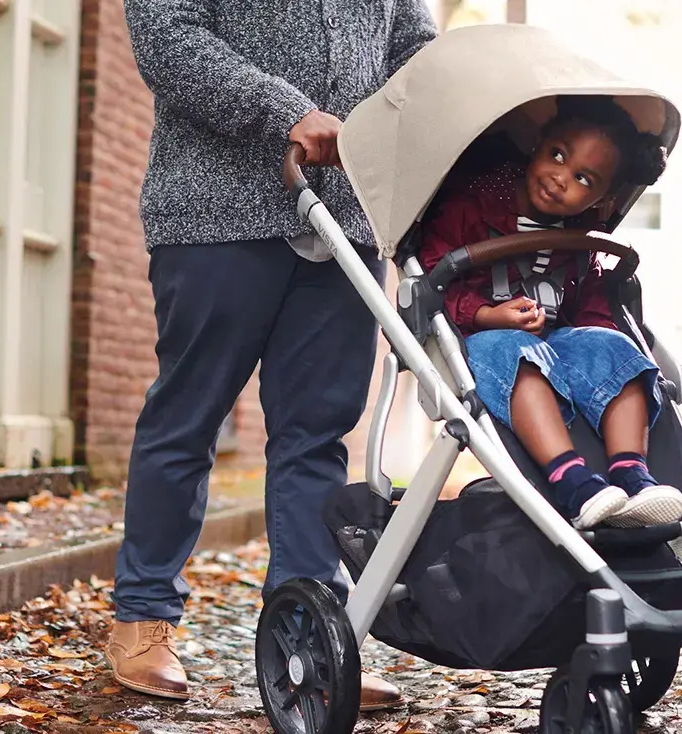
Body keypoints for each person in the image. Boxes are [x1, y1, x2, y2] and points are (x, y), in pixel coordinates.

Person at [108, 0, 438, 707]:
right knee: (187, 418)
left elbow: (415, 50)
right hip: (216, 210)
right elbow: (167, 37)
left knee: (318, 437)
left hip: (346, 220)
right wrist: (281, 110)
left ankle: (309, 639)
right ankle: (143, 618)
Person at [419, 95, 682, 530]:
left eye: (583, 178)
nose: (560, 178)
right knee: (518, 351)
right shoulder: (473, 205)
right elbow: (434, 280)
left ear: (602, 199)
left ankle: (632, 476)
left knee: (615, 348)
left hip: (558, 341)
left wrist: (607, 357)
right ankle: (573, 482)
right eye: (557, 156)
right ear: (538, 144)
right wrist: (488, 314)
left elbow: (591, 306)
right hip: (483, 341)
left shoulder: (580, 234)